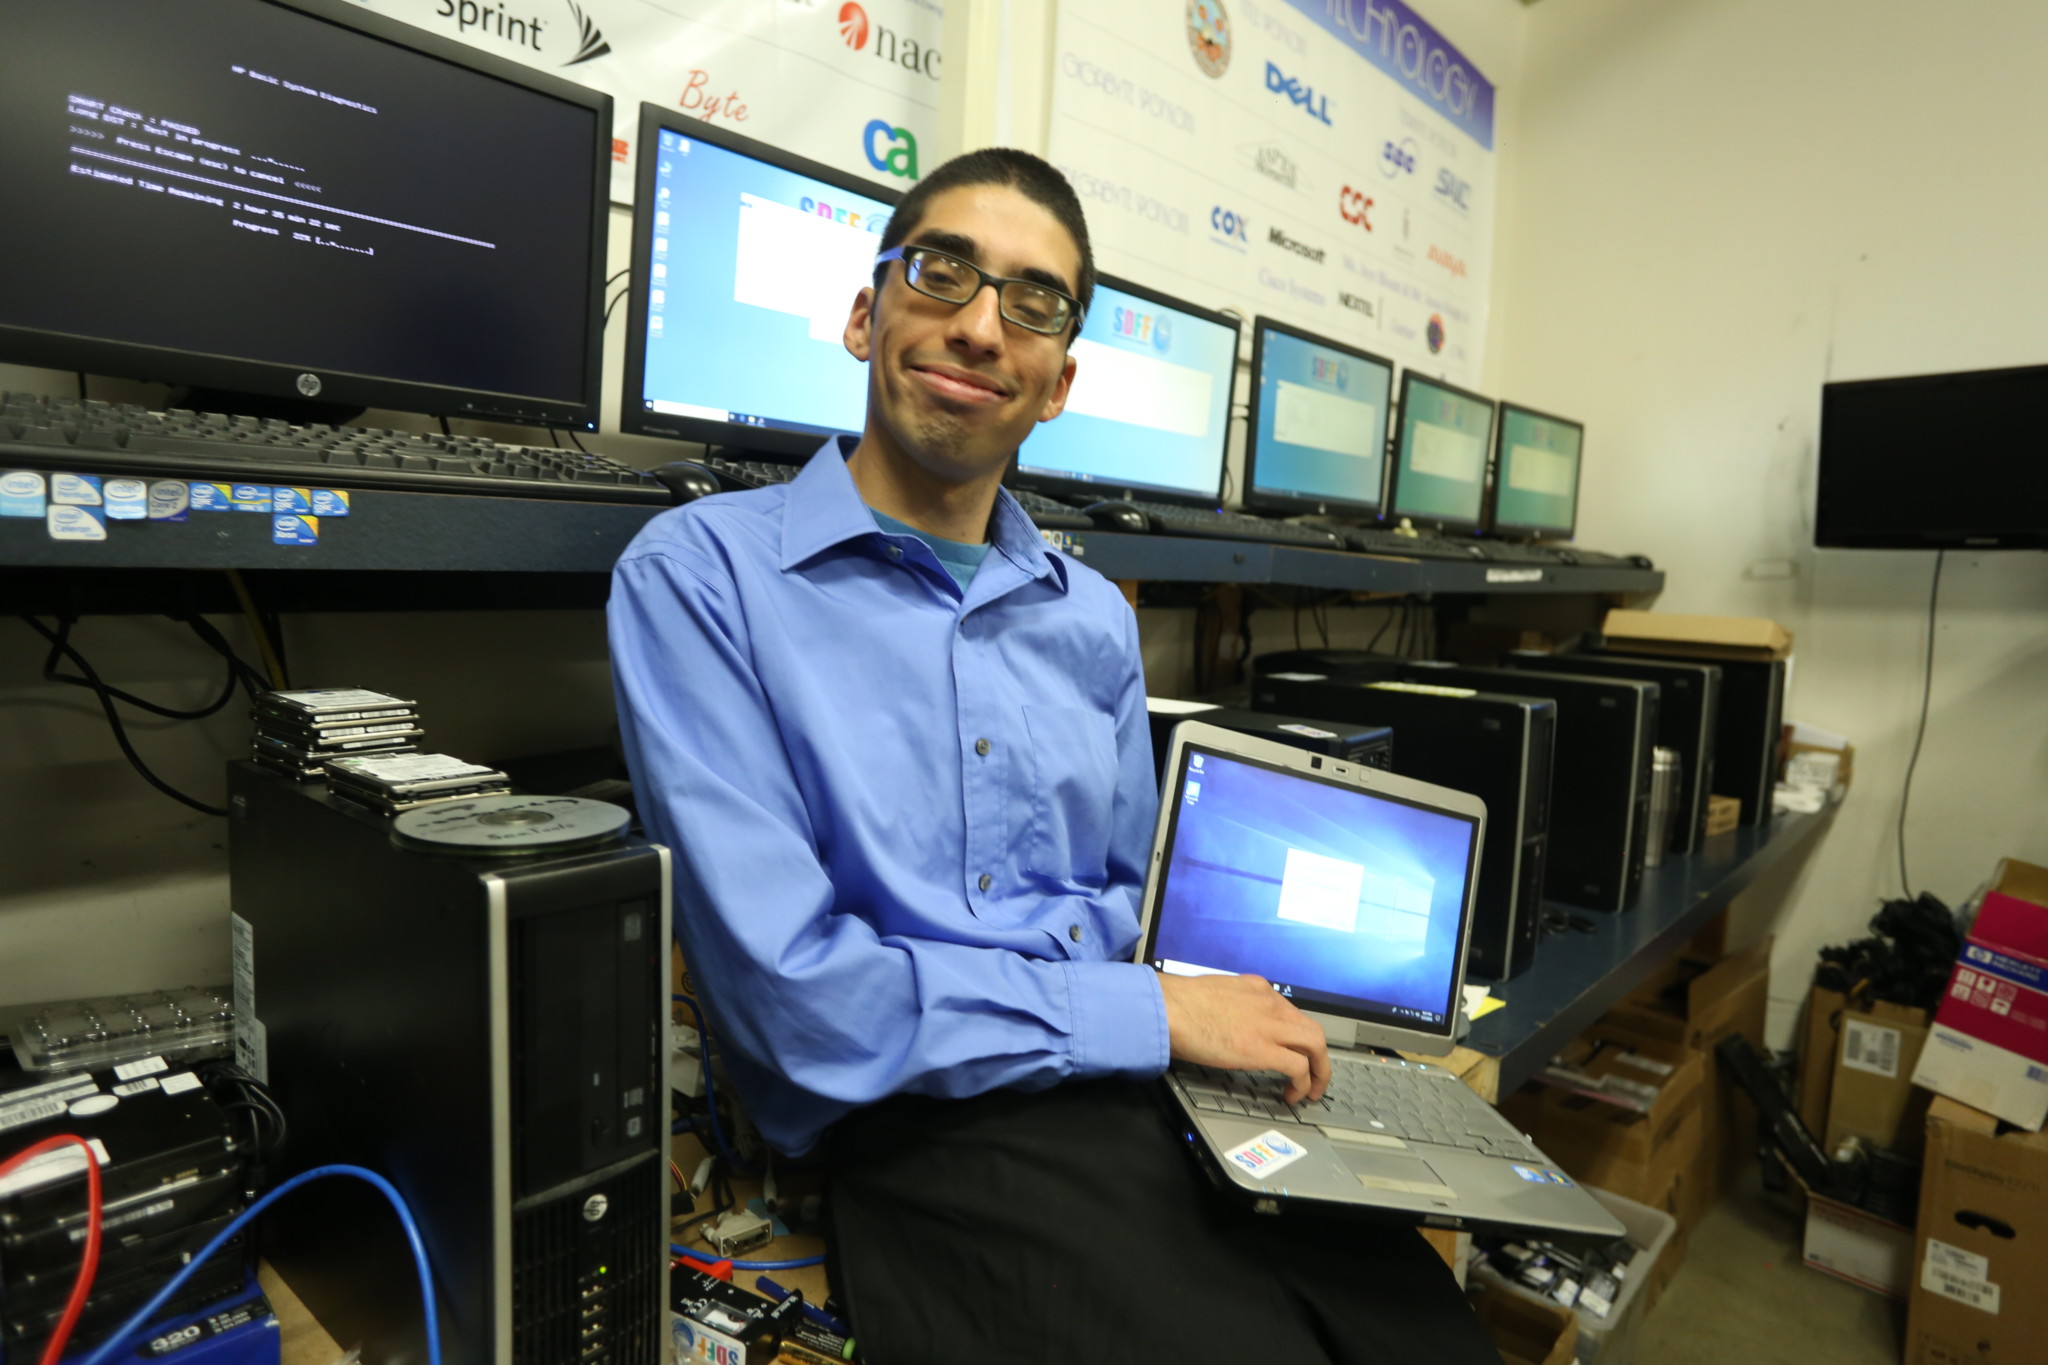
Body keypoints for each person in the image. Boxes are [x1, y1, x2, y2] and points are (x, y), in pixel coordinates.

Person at [609, 148, 1496, 1364]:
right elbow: (804, 1010)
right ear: (866, 314)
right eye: (942, 274)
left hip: (1157, 1090)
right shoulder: (699, 576)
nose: (980, 327)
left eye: (1031, 303)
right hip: (931, 1130)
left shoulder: (1091, 615)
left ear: (1058, 380)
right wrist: (1145, 1010)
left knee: (1433, 1342)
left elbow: (1132, 906)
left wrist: (1252, 1007)